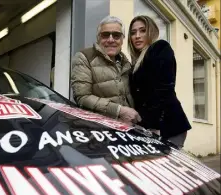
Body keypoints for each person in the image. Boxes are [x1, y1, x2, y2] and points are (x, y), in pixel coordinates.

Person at [128, 15, 192, 148]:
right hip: (149, 126)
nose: (137, 36)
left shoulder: (160, 48)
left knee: (167, 167)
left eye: (142, 31)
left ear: (151, 32)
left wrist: (154, 125)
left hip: (168, 125)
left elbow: (164, 89)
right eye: (133, 33)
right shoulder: (136, 62)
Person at [71, 15, 141, 125]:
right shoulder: (84, 57)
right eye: (105, 35)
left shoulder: (126, 62)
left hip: (127, 128)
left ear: (122, 39)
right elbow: (82, 97)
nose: (111, 39)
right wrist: (119, 111)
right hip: (99, 129)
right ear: (98, 38)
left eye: (116, 35)